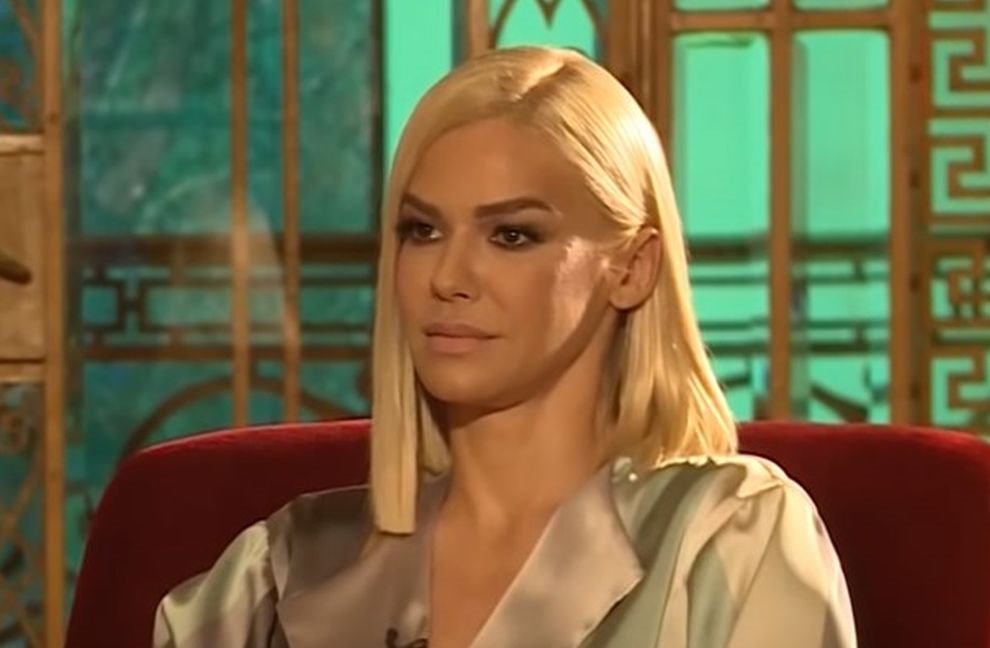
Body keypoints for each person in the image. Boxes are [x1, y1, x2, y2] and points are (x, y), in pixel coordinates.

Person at [153, 46, 856, 648]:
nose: (448, 277)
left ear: (632, 268)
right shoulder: (279, 571)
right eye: (423, 231)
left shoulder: (729, 535)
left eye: (511, 235)